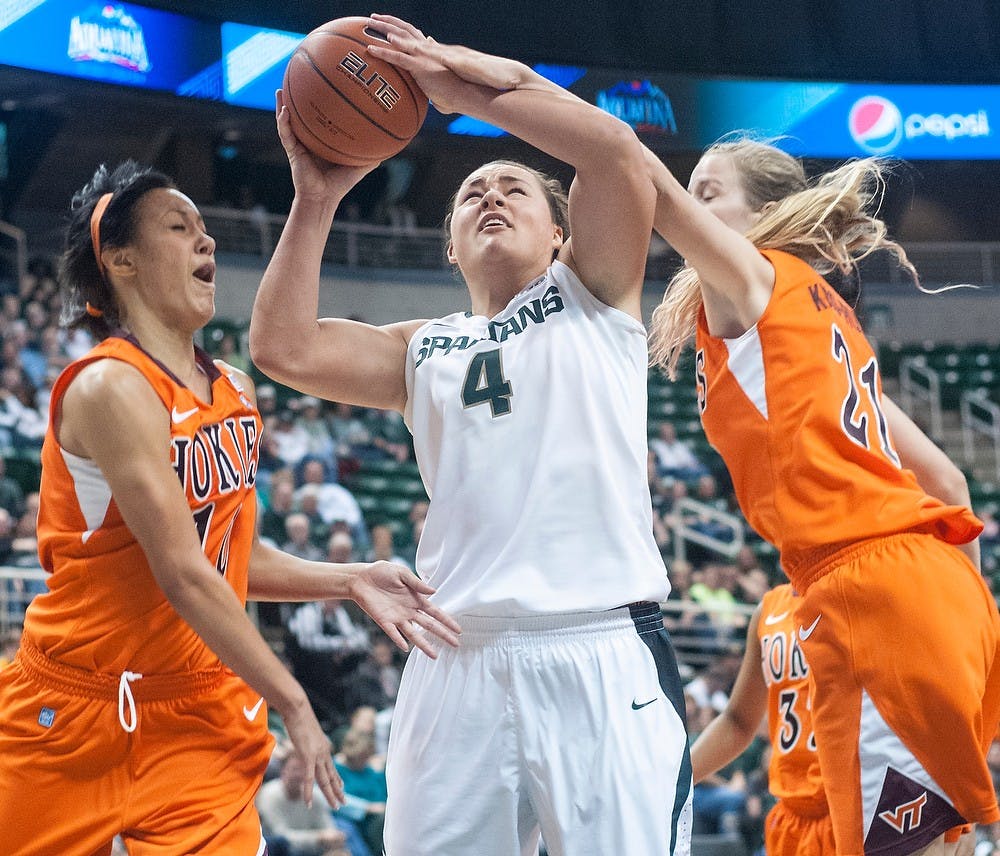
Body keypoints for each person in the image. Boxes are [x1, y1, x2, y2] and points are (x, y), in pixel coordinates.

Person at [250, 15, 691, 856]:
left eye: (514, 188)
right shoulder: (423, 347)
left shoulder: (596, 294)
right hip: (454, 654)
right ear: (450, 246)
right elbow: (282, 348)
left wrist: (470, 88)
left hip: (597, 645)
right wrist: (318, 197)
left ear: (562, 234)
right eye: (469, 196)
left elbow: (614, 152)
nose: (489, 194)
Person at [0, 160, 461, 854]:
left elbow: (227, 557)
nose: (206, 242)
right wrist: (292, 697)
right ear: (119, 259)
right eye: (180, 228)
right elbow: (182, 573)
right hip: (74, 712)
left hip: (198, 708)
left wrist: (349, 578)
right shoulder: (109, 388)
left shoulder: (235, 390)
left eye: (205, 229)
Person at [644, 136, 1000, 855]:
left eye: (709, 191)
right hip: (920, 585)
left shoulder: (759, 287)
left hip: (874, 590)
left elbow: (632, 166)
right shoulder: (826, 322)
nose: (693, 205)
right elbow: (950, 483)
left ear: (766, 213)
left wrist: (499, 85)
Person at [691, 583, 835, 855]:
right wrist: (675, 781)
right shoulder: (768, 609)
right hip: (791, 814)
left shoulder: (865, 585)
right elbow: (737, 720)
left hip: (856, 811)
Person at [256, 753, 351, 856]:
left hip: (314, 850)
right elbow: (280, 835)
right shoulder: (270, 795)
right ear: (283, 771)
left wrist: (334, 840)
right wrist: (319, 838)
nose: (299, 774)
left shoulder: (316, 796)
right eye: (295, 769)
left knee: (346, 832)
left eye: (304, 770)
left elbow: (328, 829)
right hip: (281, 851)